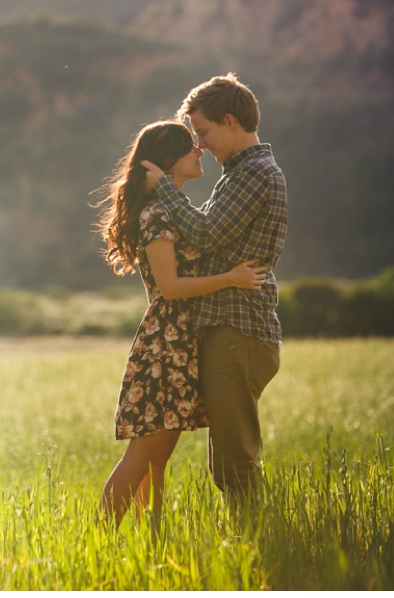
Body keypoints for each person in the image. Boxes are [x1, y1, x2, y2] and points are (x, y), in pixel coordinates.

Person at [94, 120, 267, 530]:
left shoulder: (171, 208)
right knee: (143, 454)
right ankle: (99, 538)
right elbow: (170, 287)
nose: (200, 151)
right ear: (169, 159)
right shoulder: (157, 214)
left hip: (180, 341)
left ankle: (149, 541)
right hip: (166, 343)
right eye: (191, 146)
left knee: (156, 457)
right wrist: (232, 278)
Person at [141, 73, 288, 507]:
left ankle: (257, 552)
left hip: (236, 330)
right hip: (232, 330)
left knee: (233, 461)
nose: (200, 144)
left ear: (230, 121)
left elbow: (204, 234)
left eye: (202, 132)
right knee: (228, 459)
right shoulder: (239, 174)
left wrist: (163, 189)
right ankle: (252, 546)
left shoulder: (255, 174)